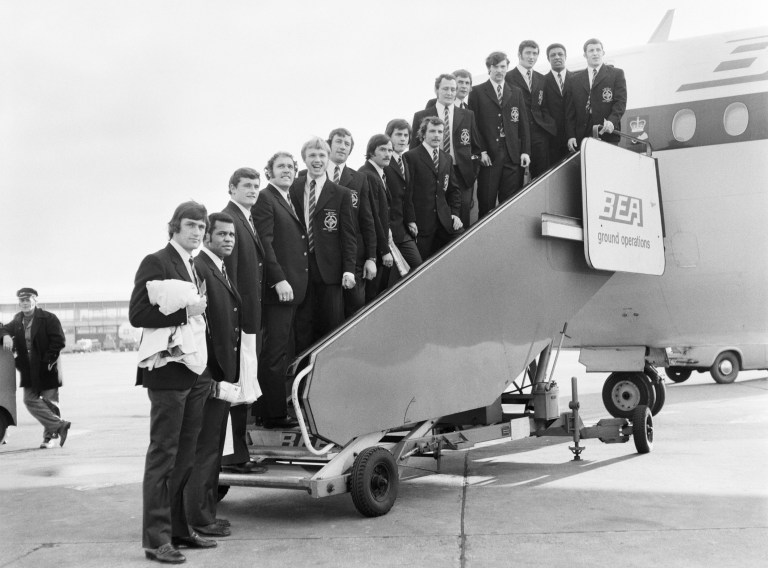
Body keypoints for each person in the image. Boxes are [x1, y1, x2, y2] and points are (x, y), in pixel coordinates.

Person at [129, 201, 215, 563]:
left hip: (194, 371)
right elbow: (137, 314)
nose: (197, 232)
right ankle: (156, 539)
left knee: (186, 456)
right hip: (167, 372)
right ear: (175, 227)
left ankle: (179, 529)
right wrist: (185, 312)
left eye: (201, 227)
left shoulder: (194, 265)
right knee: (163, 455)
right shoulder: (157, 261)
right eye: (191, 225)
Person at [184, 212, 256, 540]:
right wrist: (212, 378)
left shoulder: (218, 269)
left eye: (232, 235)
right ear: (208, 237)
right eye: (222, 234)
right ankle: (199, 519)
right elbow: (199, 329)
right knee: (206, 449)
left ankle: (205, 514)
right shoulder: (201, 268)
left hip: (221, 375)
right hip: (210, 376)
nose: (228, 239)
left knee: (213, 446)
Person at [252, 152, 307, 429]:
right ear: (269, 172)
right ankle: (272, 415)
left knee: (282, 350)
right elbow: (265, 243)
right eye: (281, 166)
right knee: (274, 353)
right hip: (280, 289)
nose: (287, 170)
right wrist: (278, 279)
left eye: (290, 166)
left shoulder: (287, 198)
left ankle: (268, 410)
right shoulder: (265, 198)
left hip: (294, 287)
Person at [290, 137, 357, 350]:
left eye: (321, 156)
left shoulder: (341, 194)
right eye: (312, 155)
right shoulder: (292, 188)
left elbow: (348, 235)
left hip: (330, 271)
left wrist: (349, 269)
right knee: (302, 326)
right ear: (304, 159)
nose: (317, 160)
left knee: (331, 326)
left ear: (328, 159)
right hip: (299, 270)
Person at [221, 168, 265, 474]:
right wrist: (236, 323)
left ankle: (238, 452)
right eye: (246, 185)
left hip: (250, 319)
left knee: (244, 387)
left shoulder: (246, 220)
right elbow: (230, 278)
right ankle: (234, 456)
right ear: (232, 189)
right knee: (237, 389)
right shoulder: (230, 222)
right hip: (241, 322)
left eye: (255, 186)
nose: (252, 190)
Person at [1, 288, 69, 449]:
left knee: (50, 402)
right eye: (21, 301)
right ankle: (60, 426)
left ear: (35, 301)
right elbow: (3, 328)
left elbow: (59, 341)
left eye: (28, 300)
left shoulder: (48, 318)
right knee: (29, 399)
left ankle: (49, 437)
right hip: (29, 369)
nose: (24, 303)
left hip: (47, 366)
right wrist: (4, 335)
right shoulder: (17, 320)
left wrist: (47, 361)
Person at [412, 73, 483, 229]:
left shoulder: (468, 115)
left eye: (453, 89)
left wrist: (472, 172)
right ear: (436, 90)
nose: (449, 93)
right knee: (432, 215)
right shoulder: (421, 116)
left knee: (460, 217)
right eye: (445, 89)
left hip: (461, 174)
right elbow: (414, 149)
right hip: (432, 172)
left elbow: (476, 148)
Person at [468, 51, 530, 219]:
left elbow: (523, 124)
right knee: (486, 203)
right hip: (489, 156)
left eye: (503, 66)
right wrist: (480, 151)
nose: (499, 70)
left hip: (512, 155)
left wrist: (525, 151)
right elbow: (473, 126)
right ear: (489, 68)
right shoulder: (477, 92)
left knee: (509, 204)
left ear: (507, 68)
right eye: (495, 67)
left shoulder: (515, 92)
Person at [325, 128, 377, 317]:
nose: (342, 147)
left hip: (354, 255)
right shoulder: (313, 176)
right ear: (329, 144)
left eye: (347, 144)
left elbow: (367, 219)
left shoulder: (359, 179)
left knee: (356, 308)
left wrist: (371, 258)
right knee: (330, 313)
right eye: (338, 141)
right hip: (325, 257)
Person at [404, 117, 463, 260]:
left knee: (461, 244)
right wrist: (411, 219)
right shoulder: (410, 156)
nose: (437, 135)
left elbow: (453, 190)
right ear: (423, 134)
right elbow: (407, 192)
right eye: (432, 131)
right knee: (422, 266)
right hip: (421, 223)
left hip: (444, 221)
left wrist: (454, 213)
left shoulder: (446, 158)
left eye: (440, 132)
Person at [506, 40, 557, 180]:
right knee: (516, 179)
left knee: (542, 177)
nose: (531, 57)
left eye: (535, 53)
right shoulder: (508, 77)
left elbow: (544, 105)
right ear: (519, 54)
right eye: (528, 53)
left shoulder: (541, 79)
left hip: (539, 135)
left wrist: (547, 125)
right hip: (518, 135)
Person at [566, 38, 627, 150]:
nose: (595, 53)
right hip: (583, 136)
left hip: (607, 131)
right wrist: (571, 135)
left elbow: (620, 102)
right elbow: (570, 111)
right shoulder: (574, 80)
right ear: (585, 55)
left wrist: (612, 122)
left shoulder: (616, 74)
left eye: (598, 50)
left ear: (603, 53)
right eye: (591, 50)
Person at [384, 118, 422, 281]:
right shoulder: (384, 161)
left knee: (418, 266)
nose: (402, 139)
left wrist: (411, 220)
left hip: (403, 228)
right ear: (389, 137)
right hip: (388, 230)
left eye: (406, 136)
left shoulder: (405, 160)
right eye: (398, 135)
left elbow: (408, 195)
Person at [358, 134, 395, 298]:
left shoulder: (377, 173)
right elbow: (374, 217)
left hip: (378, 244)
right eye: (383, 149)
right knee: (373, 296)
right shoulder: (369, 175)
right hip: (373, 248)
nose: (388, 154)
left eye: (390, 150)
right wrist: (384, 250)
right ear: (371, 151)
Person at [543, 43, 572, 163]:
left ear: (565, 56)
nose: (557, 57)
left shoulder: (577, 79)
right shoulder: (541, 81)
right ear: (548, 58)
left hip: (574, 137)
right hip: (552, 140)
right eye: (553, 55)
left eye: (560, 54)